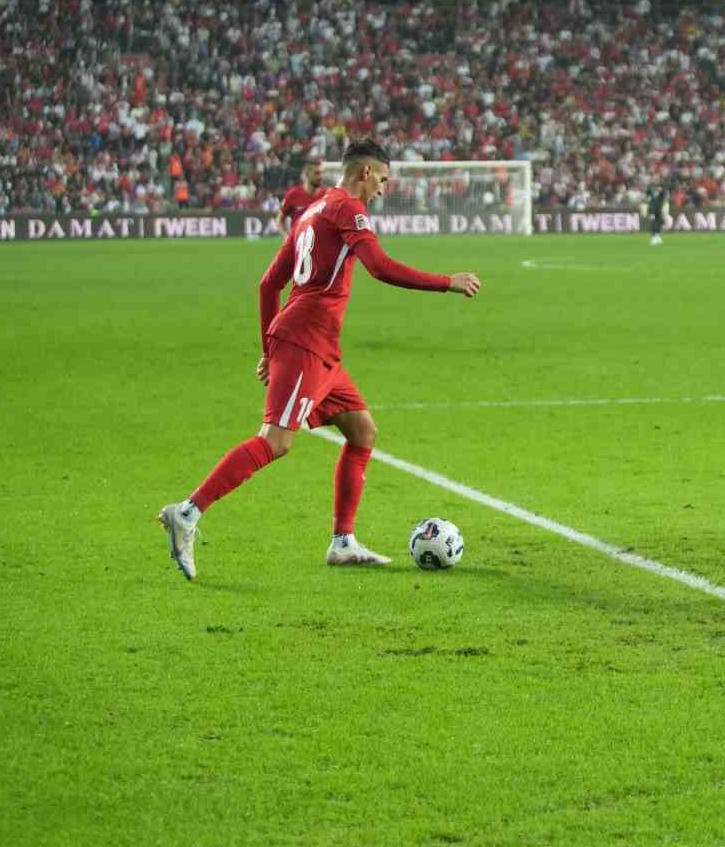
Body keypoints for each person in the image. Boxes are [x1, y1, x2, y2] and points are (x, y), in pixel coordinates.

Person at [157, 138, 483, 580]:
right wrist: (447, 281)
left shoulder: (312, 210)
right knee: (276, 441)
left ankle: (343, 542)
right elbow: (380, 266)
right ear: (365, 172)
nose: (383, 189)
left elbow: (268, 284)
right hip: (306, 340)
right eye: (383, 179)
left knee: (362, 431)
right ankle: (187, 513)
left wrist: (268, 348)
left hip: (318, 347)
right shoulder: (347, 208)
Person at [277, 157, 327, 234]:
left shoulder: (327, 195)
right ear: (307, 174)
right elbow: (280, 220)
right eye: (317, 173)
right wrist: (287, 237)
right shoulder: (293, 194)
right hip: (299, 240)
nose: (320, 177)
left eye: (321, 173)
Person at [646, 175, 671, 245]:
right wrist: (647, 201)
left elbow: (665, 195)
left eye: (656, 178)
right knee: (653, 221)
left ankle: (657, 236)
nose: (655, 180)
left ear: (659, 179)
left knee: (659, 222)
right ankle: (653, 237)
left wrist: (665, 204)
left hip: (660, 207)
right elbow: (647, 196)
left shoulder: (663, 186)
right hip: (652, 207)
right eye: (654, 178)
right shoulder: (650, 187)